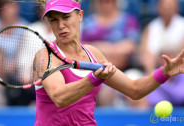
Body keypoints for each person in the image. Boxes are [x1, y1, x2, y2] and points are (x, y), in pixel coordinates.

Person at [35, 0, 184, 125]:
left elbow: (134, 89)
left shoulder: (93, 53)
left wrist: (164, 72)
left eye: (66, 17)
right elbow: (60, 97)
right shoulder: (46, 56)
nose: (60, 25)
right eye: (54, 20)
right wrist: (94, 79)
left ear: (80, 16)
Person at [140, 0, 184, 74]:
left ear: (176, 8)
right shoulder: (151, 27)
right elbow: (145, 52)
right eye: (163, 6)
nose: (166, 9)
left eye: (170, 7)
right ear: (158, 8)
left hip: (178, 68)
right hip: (156, 67)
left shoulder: (182, 25)